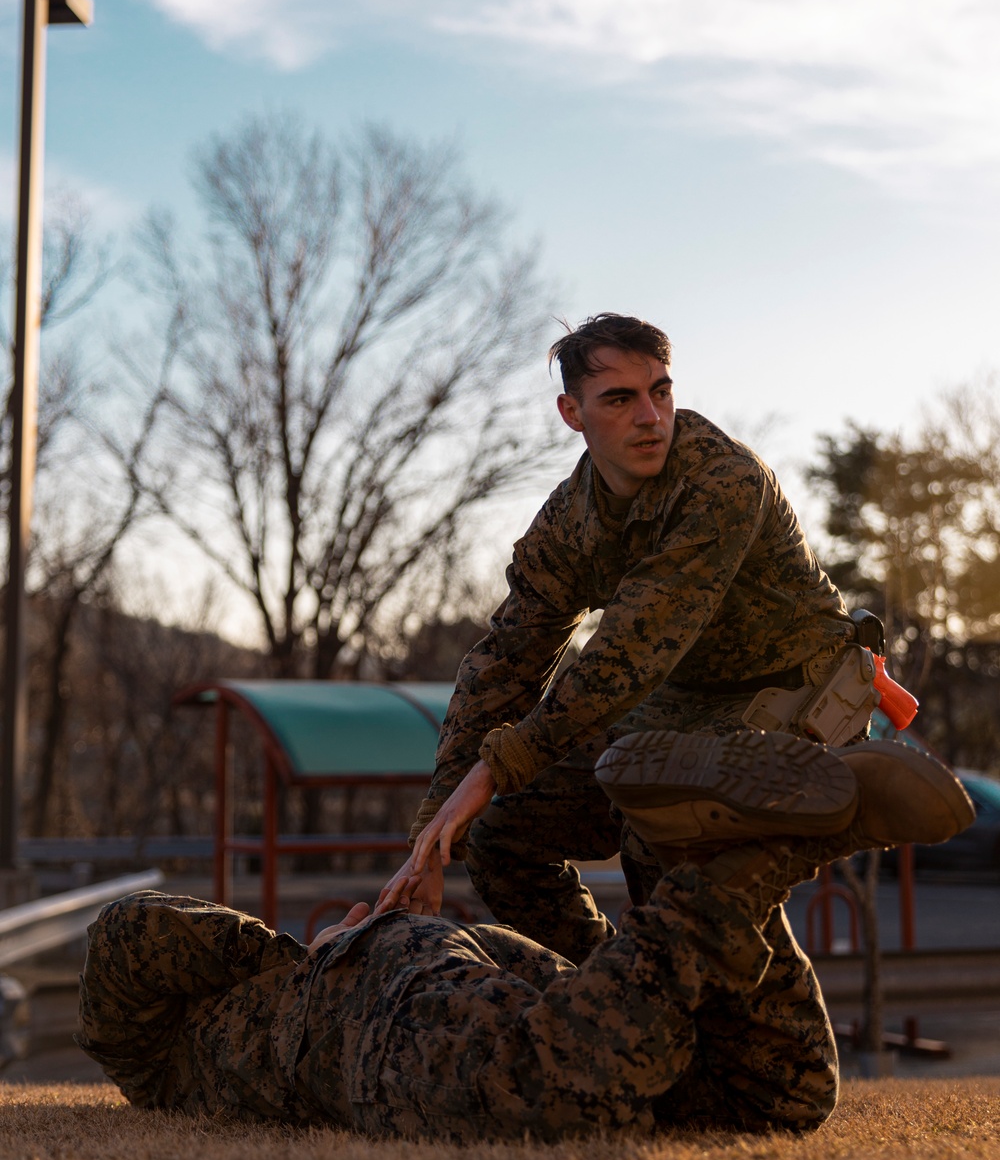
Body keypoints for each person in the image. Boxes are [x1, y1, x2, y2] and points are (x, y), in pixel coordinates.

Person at [76, 730, 972, 1142]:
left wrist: (292, 959)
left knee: (553, 1080)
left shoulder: (160, 1059)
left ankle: (746, 862)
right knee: (774, 1097)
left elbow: (122, 938)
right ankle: (758, 852)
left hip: (354, 1012)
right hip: (441, 980)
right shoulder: (176, 1072)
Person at [378, 313, 916, 962]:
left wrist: (498, 767)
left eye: (660, 391)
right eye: (619, 398)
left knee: (664, 829)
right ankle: (608, 1003)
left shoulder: (722, 482)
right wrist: (434, 834)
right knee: (499, 834)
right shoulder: (568, 523)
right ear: (572, 413)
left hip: (798, 694)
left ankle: (774, 1059)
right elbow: (505, 662)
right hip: (683, 702)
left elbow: (629, 651)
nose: (650, 416)